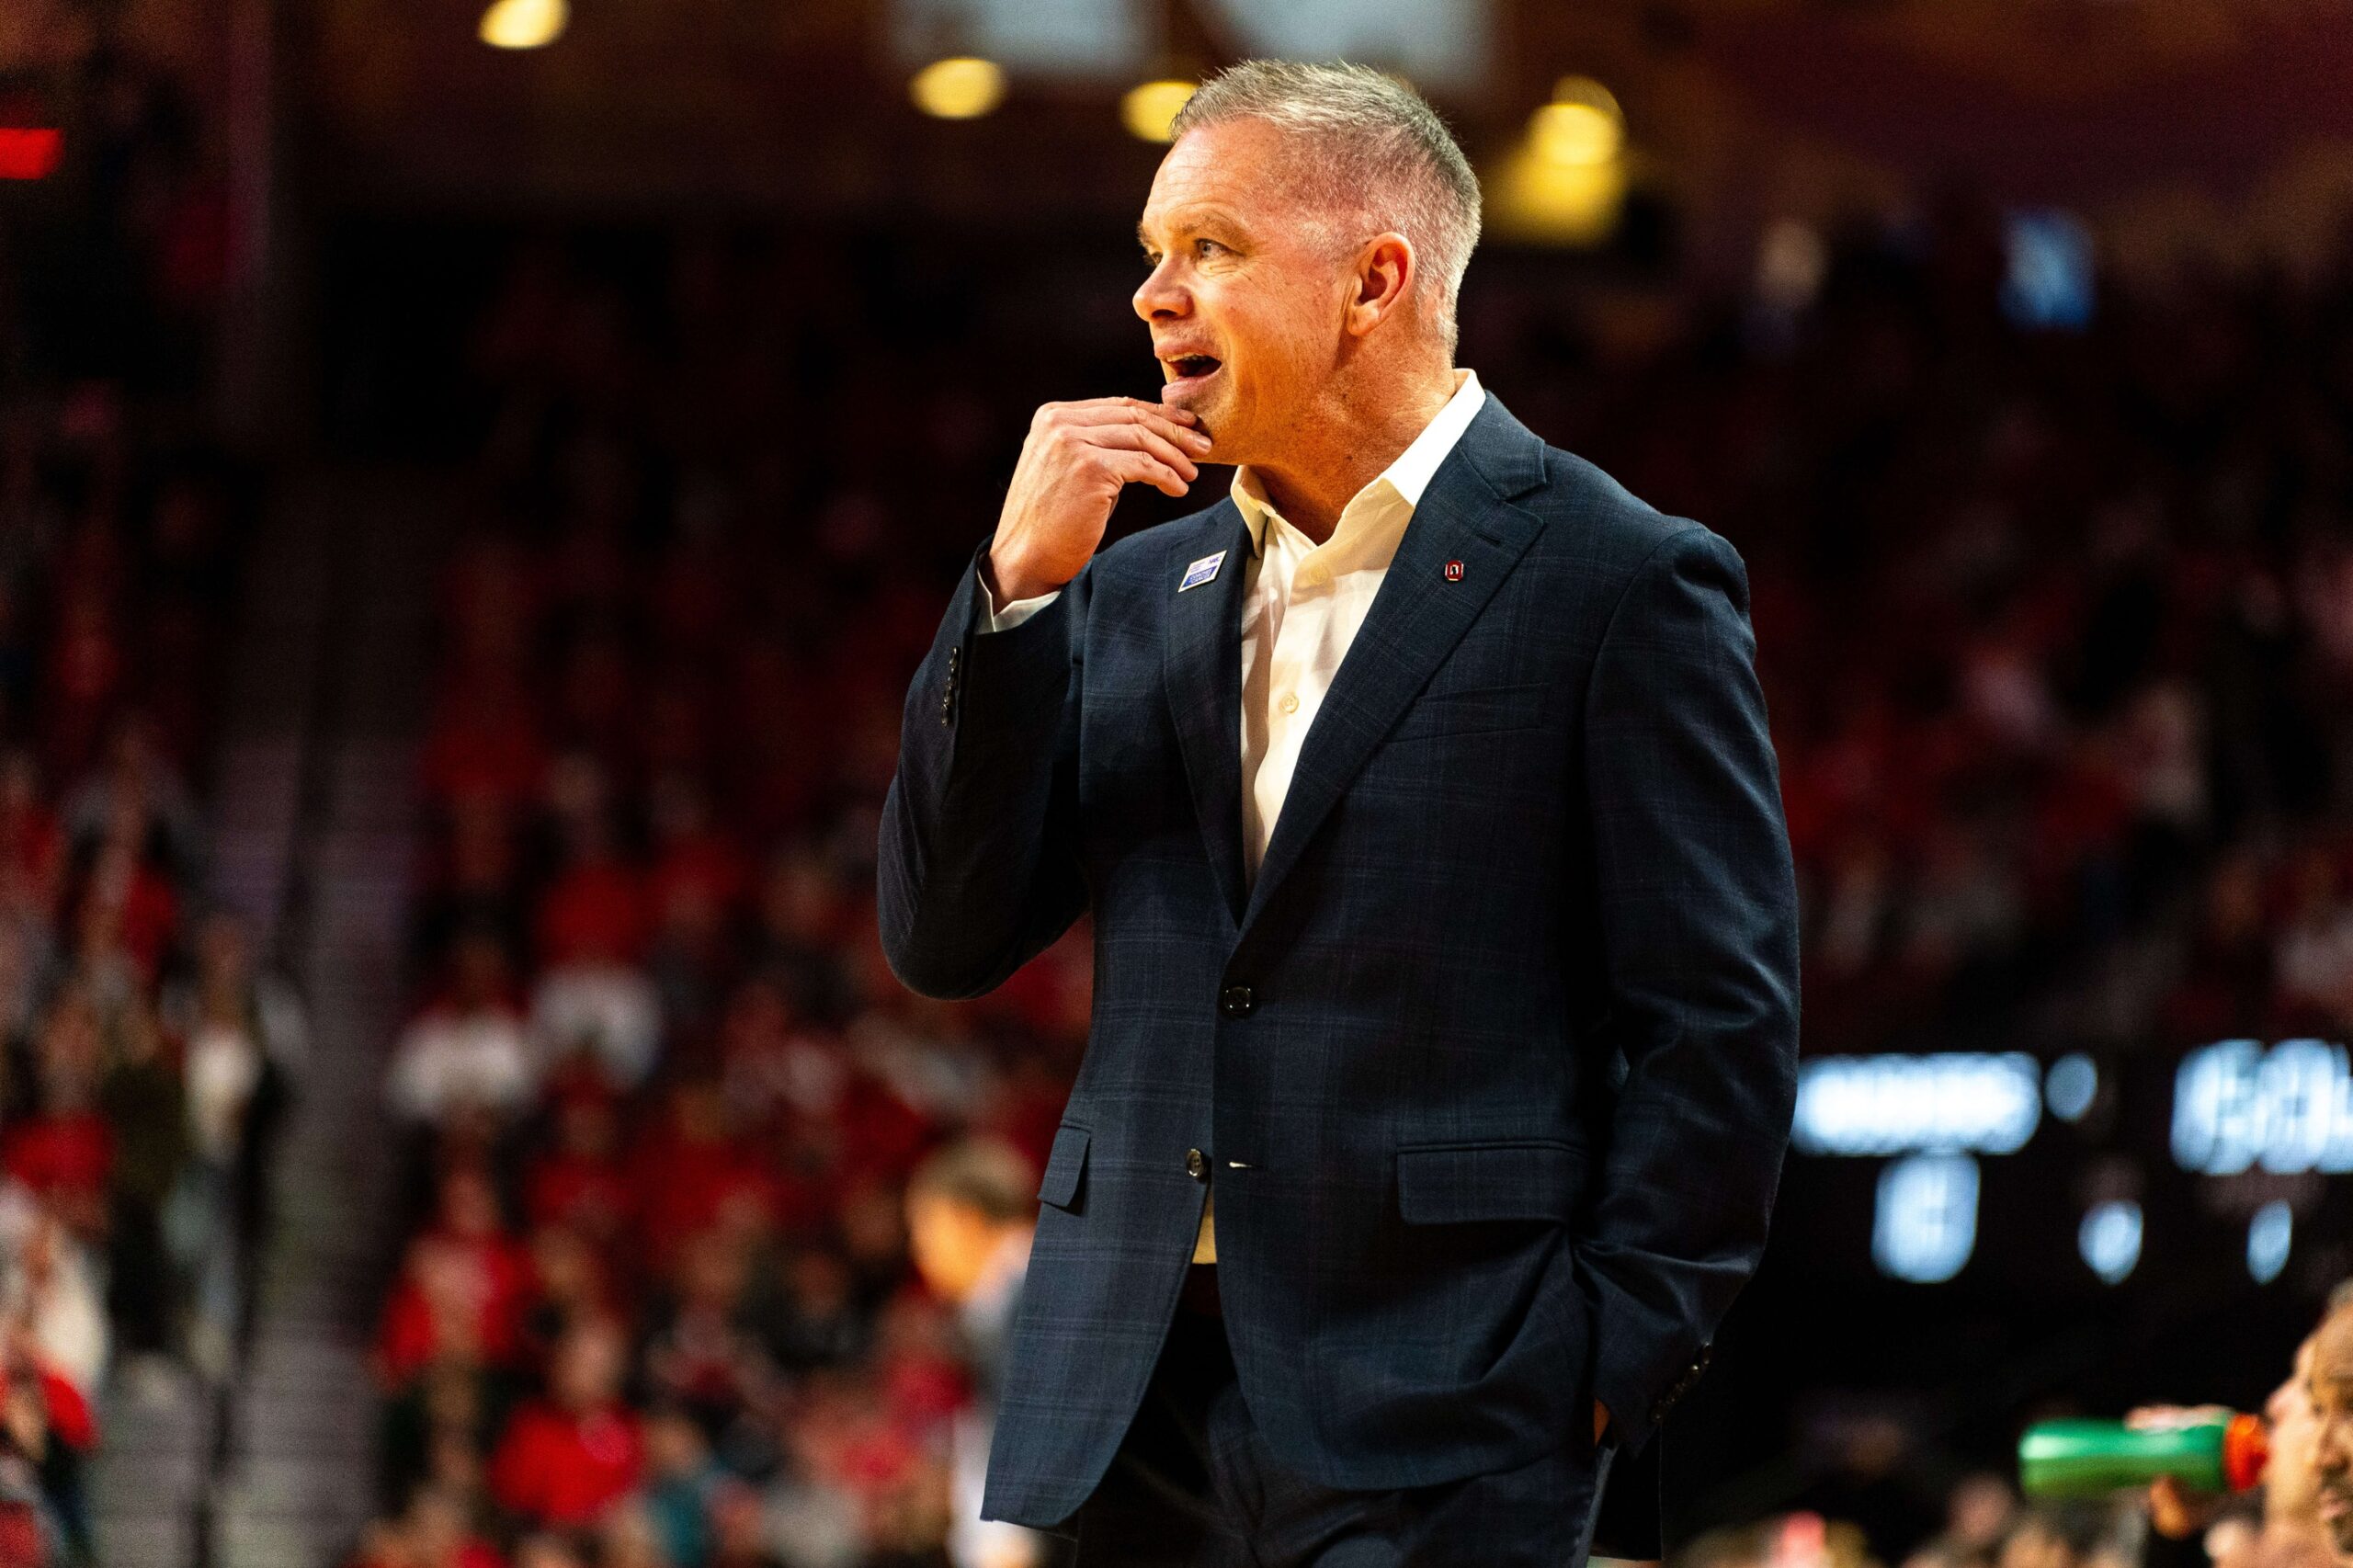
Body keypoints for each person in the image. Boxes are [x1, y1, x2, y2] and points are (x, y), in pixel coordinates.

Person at [875, 58, 1801, 1566]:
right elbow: (946, 932)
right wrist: (1014, 600)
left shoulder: (1618, 578)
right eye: (1153, 252)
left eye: (1209, 248)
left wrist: (1599, 1372)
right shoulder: (1131, 590)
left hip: (1451, 1409)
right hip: (1132, 1405)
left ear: (1374, 280)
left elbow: (1720, 1030)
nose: (1151, 296)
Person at [905, 1139, 1060, 1568]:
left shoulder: (1031, 1302)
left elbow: (1034, 1448)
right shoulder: (1000, 1304)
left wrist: (1009, 1546)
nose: (919, 1249)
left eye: (923, 1227)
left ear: (964, 1218)